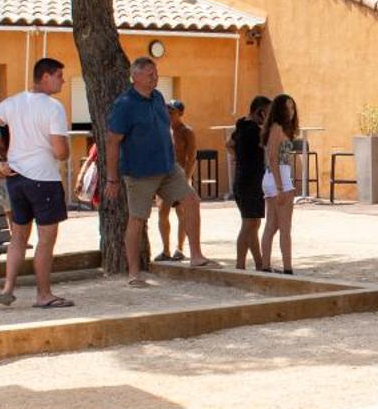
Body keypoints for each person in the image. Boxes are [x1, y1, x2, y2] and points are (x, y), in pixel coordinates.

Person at [105, 56, 214, 285]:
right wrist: (112, 179)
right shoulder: (124, 105)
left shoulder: (158, 98)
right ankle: (134, 273)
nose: (154, 78)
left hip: (167, 166)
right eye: (149, 74)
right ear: (135, 77)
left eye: (156, 73)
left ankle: (195, 255)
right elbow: (113, 141)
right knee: (137, 219)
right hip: (139, 172)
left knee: (192, 200)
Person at [0, 58, 74, 309]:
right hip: (43, 177)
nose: (62, 81)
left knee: (19, 235)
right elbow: (60, 152)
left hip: (16, 178)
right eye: (59, 76)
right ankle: (44, 294)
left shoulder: (12, 102)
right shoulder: (54, 108)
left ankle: (8, 287)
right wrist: (64, 145)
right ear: (45, 77)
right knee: (46, 239)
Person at [259, 92, 302, 274]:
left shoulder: (279, 128)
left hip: (273, 177)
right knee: (285, 227)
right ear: (279, 110)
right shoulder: (277, 128)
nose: (291, 111)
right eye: (287, 108)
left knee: (272, 225)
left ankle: (266, 265)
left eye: (292, 107)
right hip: (279, 178)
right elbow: (273, 157)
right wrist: (280, 186)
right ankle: (287, 268)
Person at [231, 95, 271, 270]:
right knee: (249, 224)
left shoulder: (241, 126)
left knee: (253, 223)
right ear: (260, 112)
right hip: (249, 182)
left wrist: (239, 158)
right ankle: (240, 265)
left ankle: (259, 264)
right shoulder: (254, 131)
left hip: (246, 180)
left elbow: (228, 144)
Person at [156, 99, 198, 262]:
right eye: (166, 111)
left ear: (180, 113)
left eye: (172, 111)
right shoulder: (162, 130)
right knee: (162, 213)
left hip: (180, 177)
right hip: (163, 177)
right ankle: (165, 250)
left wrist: (186, 178)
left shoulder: (186, 131)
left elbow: (192, 157)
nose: (168, 114)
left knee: (182, 213)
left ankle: (179, 249)